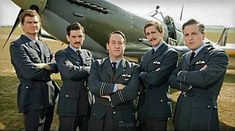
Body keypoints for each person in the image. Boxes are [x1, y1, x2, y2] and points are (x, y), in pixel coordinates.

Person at [169, 19, 229, 130]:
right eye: (186, 35)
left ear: (203, 35)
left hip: (202, 117)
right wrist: (187, 83)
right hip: (181, 113)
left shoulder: (217, 55)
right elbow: (171, 79)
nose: (190, 38)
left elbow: (204, 79)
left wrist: (181, 74)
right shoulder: (185, 57)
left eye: (194, 33)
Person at [9, 9, 60, 130]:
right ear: (22, 25)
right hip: (32, 96)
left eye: (36, 22)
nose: (34, 25)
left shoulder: (44, 45)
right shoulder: (17, 46)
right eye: (29, 22)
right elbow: (30, 73)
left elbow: (57, 66)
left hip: (48, 95)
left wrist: (42, 66)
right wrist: (49, 68)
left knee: (46, 128)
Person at [87, 31, 140, 131]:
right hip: (100, 118)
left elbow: (132, 92)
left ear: (124, 46)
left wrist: (110, 98)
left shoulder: (134, 68)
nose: (117, 46)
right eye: (113, 42)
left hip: (124, 119)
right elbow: (93, 86)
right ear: (107, 46)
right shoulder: (97, 65)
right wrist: (117, 87)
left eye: (120, 43)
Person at [138, 20, 178, 130]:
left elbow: (155, 79)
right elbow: (138, 77)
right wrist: (147, 75)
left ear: (161, 32)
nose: (151, 36)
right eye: (148, 34)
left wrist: (142, 74)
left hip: (158, 109)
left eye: (153, 32)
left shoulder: (170, 53)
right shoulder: (146, 55)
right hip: (143, 105)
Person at [55, 22, 93, 131]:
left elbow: (95, 74)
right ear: (68, 38)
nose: (77, 39)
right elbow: (69, 72)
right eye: (74, 36)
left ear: (84, 37)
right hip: (69, 105)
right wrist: (90, 69)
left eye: (80, 36)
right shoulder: (61, 54)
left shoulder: (88, 54)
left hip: (87, 103)